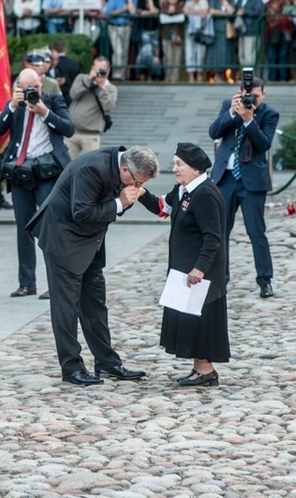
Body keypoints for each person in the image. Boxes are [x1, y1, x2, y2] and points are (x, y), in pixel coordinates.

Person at [28, 145, 159, 385]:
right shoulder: (92, 168)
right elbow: (82, 212)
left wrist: (144, 204)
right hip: (62, 237)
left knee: (95, 303)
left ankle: (108, 364)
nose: (137, 188)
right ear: (125, 168)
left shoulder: (123, 165)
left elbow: (121, 201)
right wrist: (120, 203)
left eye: (141, 184)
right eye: (137, 182)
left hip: (90, 243)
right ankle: (72, 368)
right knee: (66, 307)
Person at [138, 143, 228, 386]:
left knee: (203, 319)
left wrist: (200, 267)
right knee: (189, 319)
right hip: (184, 269)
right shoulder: (183, 190)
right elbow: (163, 208)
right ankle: (198, 368)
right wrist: (140, 193)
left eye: (180, 164)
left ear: (196, 170)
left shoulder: (206, 194)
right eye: (175, 163)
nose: (174, 168)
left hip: (201, 271)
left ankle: (207, 370)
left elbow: (213, 237)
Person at [0, 68, 73, 300]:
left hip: (47, 172)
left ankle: (55, 283)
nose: (32, 92)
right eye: (27, 88)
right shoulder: (15, 106)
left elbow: (69, 128)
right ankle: (27, 283)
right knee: (23, 228)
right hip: (20, 172)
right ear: (18, 87)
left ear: (41, 85)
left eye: (36, 87)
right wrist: (11, 106)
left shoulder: (53, 101)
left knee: (50, 228)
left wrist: (44, 112)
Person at [209, 76, 278, 298]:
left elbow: (264, 144)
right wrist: (232, 112)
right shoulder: (228, 106)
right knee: (220, 232)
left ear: (263, 94)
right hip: (225, 178)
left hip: (252, 182)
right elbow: (213, 132)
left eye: (255, 96)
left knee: (256, 232)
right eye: (247, 95)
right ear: (239, 92)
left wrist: (249, 120)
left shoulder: (269, 114)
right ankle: (221, 278)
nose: (251, 99)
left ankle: (265, 280)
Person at [65, 57, 117, 159]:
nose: (98, 72)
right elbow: (73, 94)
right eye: (96, 68)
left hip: (91, 135)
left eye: (102, 69)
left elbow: (108, 107)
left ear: (108, 71)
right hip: (71, 133)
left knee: (91, 166)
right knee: (65, 165)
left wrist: (102, 87)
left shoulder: (111, 88)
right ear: (92, 68)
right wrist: (88, 80)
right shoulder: (81, 78)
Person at [105, 0, 136, 81]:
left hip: (127, 27)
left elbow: (133, 13)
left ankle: (122, 75)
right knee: (118, 51)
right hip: (114, 27)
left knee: (124, 53)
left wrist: (129, 2)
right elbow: (108, 12)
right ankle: (117, 74)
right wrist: (123, 9)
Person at [183, 0, 209, 83]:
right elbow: (185, 11)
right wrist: (198, 12)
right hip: (190, 31)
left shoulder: (204, 2)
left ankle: (199, 75)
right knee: (190, 53)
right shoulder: (189, 2)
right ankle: (191, 76)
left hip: (201, 30)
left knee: (200, 53)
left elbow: (204, 13)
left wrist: (192, 11)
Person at [159, 0, 185, 83]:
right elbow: (161, 14)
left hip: (178, 36)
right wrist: (168, 11)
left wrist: (174, 10)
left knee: (177, 59)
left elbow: (182, 15)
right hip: (166, 36)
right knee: (167, 58)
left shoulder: (181, 5)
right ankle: (167, 78)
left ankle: (175, 79)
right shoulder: (164, 4)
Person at [234, 0, 264, 69]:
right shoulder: (240, 1)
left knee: (249, 57)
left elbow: (259, 11)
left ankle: (249, 77)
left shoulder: (257, 1)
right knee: (242, 55)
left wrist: (245, 11)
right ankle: (245, 77)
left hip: (252, 32)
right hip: (241, 31)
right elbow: (236, 10)